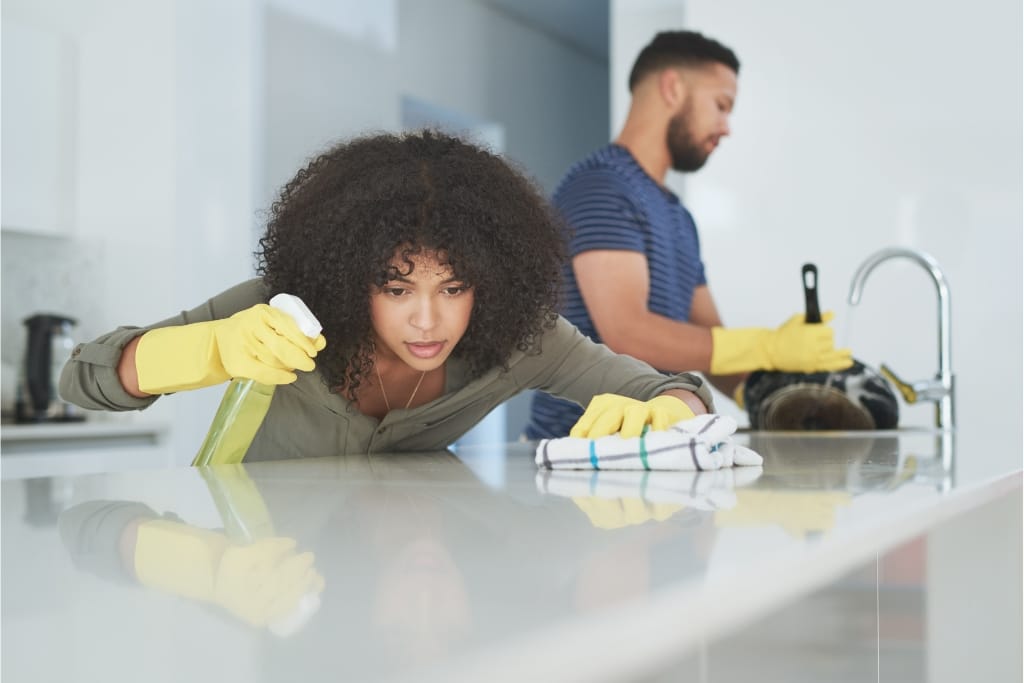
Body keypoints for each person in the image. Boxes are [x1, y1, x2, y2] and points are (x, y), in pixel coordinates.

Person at [60, 130, 716, 461]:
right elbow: (78, 379)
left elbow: (676, 389)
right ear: (350, 274)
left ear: (488, 282)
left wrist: (671, 411)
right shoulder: (280, 309)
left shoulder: (521, 338)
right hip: (260, 574)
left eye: (453, 287)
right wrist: (200, 350)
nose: (428, 318)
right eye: (396, 287)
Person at [525, 30, 852, 439]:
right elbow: (627, 333)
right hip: (577, 454)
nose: (726, 127)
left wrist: (795, 390)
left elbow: (714, 352)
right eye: (721, 105)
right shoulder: (601, 187)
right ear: (673, 87)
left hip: (652, 450)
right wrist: (767, 344)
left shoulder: (678, 217)